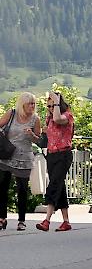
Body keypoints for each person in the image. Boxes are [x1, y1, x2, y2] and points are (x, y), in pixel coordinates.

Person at [0, 92, 41, 231]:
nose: (33, 106)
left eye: (34, 103)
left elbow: (39, 140)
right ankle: (2, 218)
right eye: (30, 103)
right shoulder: (12, 113)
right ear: (22, 104)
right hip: (7, 154)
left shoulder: (35, 119)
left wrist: (32, 135)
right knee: (2, 188)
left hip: (24, 157)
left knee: (22, 189)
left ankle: (21, 220)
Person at [36, 91, 75, 232]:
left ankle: (47, 220)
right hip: (52, 155)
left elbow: (59, 119)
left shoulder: (67, 116)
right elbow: (44, 139)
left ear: (59, 104)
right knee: (60, 186)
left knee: (54, 185)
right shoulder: (49, 119)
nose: (51, 109)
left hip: (63, 154)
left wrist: (57, 102)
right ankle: (66, 221)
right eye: (49, 107)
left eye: (53, 106)